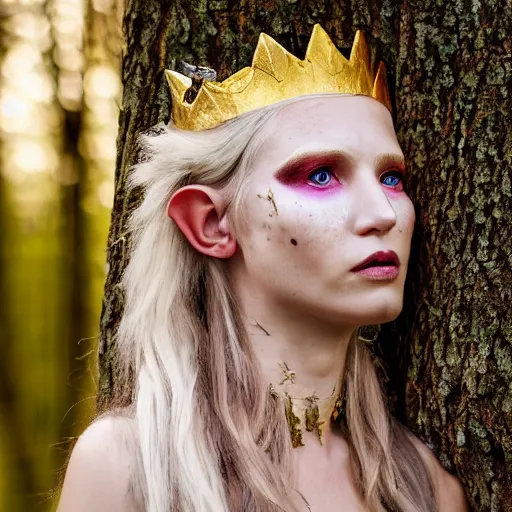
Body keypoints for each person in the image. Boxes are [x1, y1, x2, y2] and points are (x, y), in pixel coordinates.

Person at [57, 25, 467, 512]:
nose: (383, 213)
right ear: (211, 224)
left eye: (391, 177)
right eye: (320, 175)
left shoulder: (426, 490)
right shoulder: (130, 468)